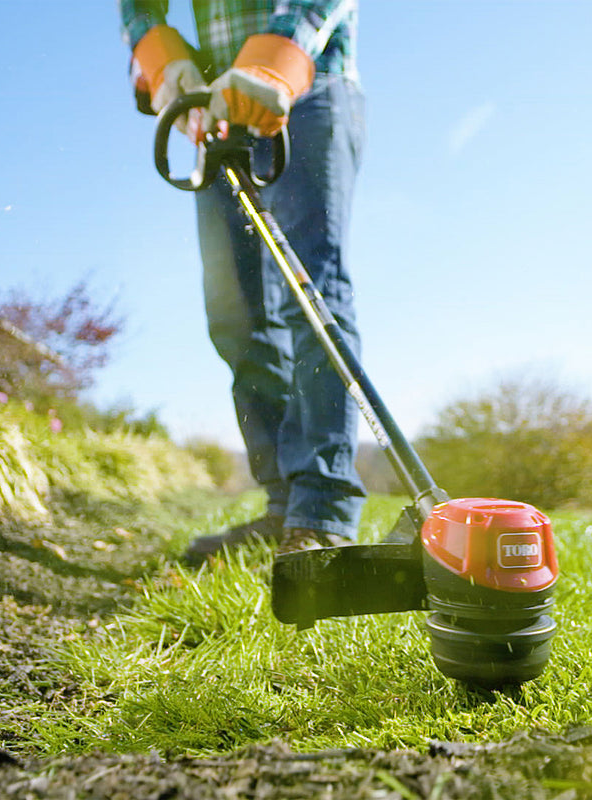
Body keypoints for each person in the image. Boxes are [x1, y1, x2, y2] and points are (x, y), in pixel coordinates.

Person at [118, 0, 366, 560]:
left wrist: (275, 60)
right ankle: (283, 507)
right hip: (214, 108)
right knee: (235, 312)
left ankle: (322, 509)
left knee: (312, 290)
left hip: (309, 87)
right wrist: (161, 59)